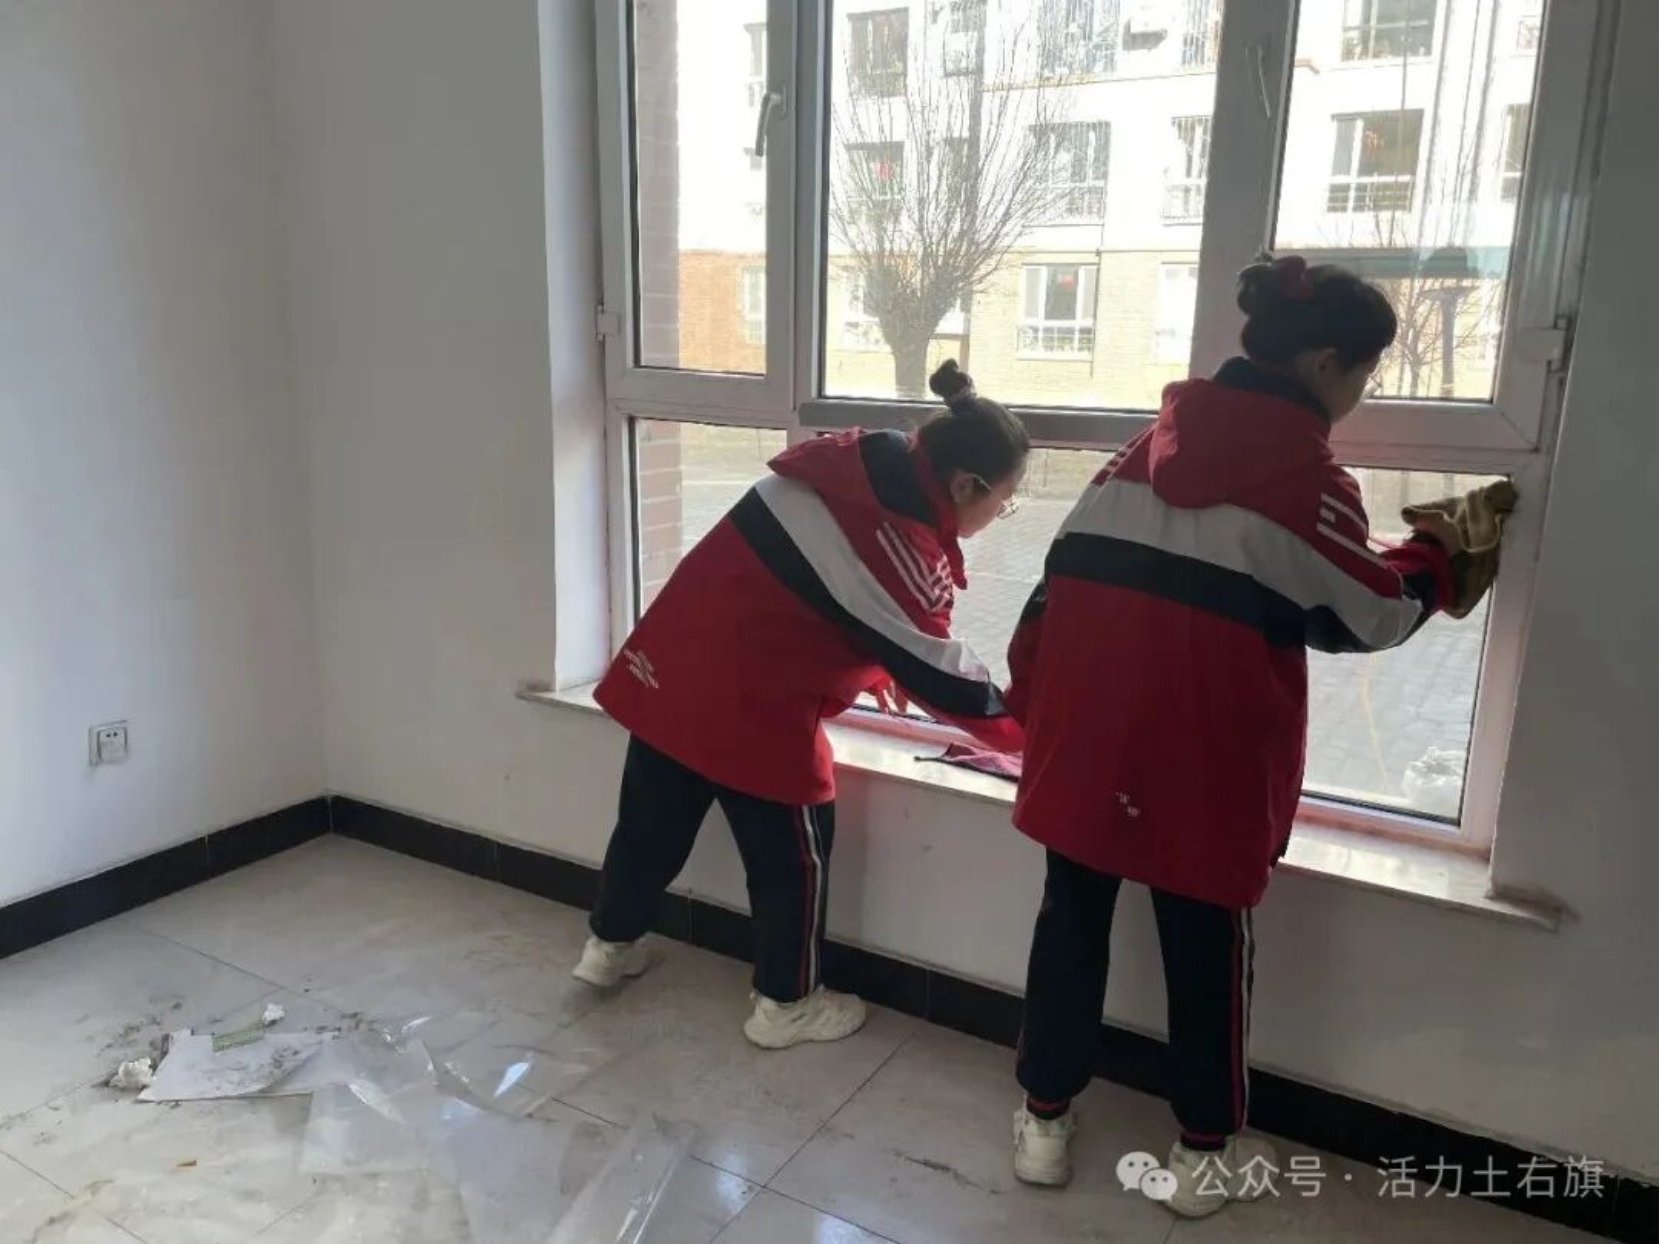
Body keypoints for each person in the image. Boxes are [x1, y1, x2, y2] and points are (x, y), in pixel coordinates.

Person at [1003, 256, 1466, 1216]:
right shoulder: (1309, 478)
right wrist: (1441, 555)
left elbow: (1052, 590)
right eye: (1364, 373)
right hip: (1205, 762)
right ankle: (1203, 1153)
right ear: (1324, 363)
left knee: (1068, 925)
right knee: (1206, 952)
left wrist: (1034, 714)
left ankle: (1043, 1121)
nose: (1361, 394)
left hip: (1084, 740)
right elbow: (1372, 614)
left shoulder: (1135, 454)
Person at [574, 360, 1029, 1050]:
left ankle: (607, 947)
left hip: (672, 666)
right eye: (1006, 500)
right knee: (793, 862)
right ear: (966, 484)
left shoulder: (850, 464)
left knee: (647, 828)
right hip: (752, 702)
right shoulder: (893, 540)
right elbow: (945, 678)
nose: (1000, 515)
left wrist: (872, 662)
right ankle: (786, 1006)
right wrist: (1035, 737)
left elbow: (817, 595)